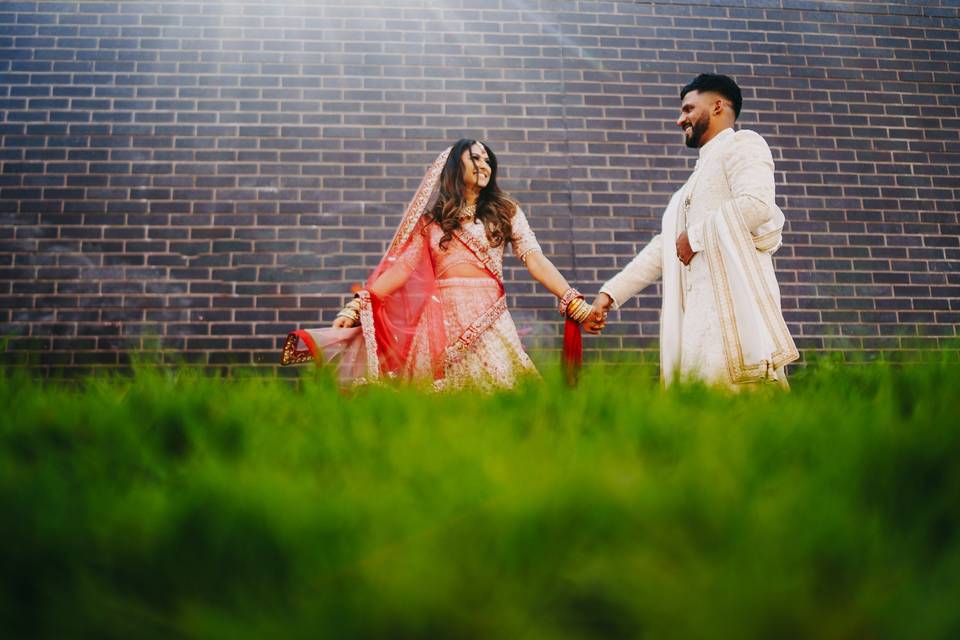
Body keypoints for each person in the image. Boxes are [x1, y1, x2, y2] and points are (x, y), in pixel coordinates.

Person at [281, 139, 595, 390]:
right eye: (476, 158)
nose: (484, 164)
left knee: (502, 391)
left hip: (491, 319)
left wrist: (570, 297)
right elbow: (402, 270)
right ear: (454, 165)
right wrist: (357, 305)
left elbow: (534, 258)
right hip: (440, 324)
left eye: (487, 160)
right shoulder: (432, 222)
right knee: (438, 402)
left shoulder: (505, 211)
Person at [587, 74, 798, 386]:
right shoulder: (687, 190)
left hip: (735, 320)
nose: (679, 119)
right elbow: (665, 248)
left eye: (687, 109)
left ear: (717, 106)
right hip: (696, 322)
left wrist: (695, 236)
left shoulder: (743, 144)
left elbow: (756, 204)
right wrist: (609, 294)